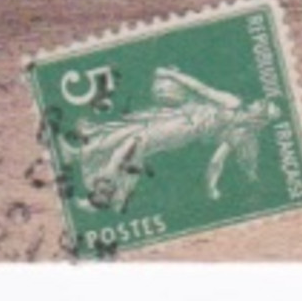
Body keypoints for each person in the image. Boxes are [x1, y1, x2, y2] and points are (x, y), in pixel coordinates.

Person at [61, 65, 281, 213]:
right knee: (129, 131)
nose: (257, 102)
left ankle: (101, 196)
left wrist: (212, 188)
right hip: (177, 115)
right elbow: (217, 160)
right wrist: (212, 188)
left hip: (182, 128)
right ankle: (82, 157)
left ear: (258, 117)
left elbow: (216, 161)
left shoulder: (236, 117)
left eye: (261, 105)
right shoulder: (237, 117)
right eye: (260, 101)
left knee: (135, 140)